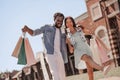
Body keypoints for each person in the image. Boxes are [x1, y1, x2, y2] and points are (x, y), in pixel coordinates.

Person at [22, 12, 68, 80]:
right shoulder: (47, 27)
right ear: (54, 19)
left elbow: (66, 40)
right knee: (55, 74)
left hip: (59, 54)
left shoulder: (62, 31)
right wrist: (27, 29)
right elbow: (34, 33)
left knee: (62, 75)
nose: (60, 22)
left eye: (61, 21)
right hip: (50, 54)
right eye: (58, 20)